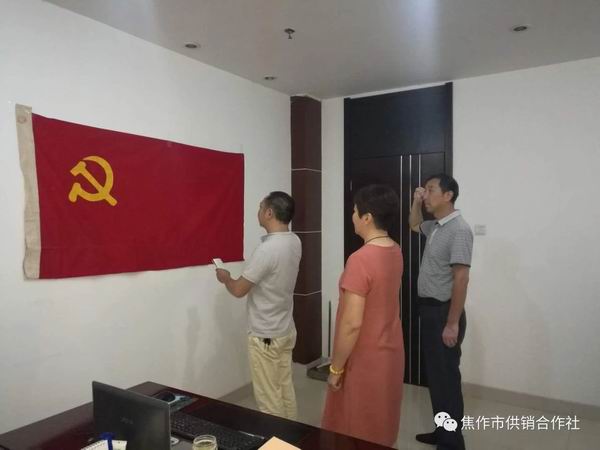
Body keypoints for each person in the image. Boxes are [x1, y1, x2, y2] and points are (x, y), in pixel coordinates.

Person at [321, 184, 404, 447]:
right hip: (390, 353)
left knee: (356, 426)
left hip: (364, 357)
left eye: (355, 211)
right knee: (381, 422)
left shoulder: (360, 259)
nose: (352, 216)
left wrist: (336, 368)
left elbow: (351, 324)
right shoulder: (395, 250)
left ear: (367, 218)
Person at [215, 191, 301, 420]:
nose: (258, 212)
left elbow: (238, 290)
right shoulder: (294, 241)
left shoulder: (267, 250)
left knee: (269, 401)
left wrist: (226, 278)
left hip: (265, 335)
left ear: (269, 213)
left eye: (261, 207)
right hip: (285, 329)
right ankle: (292, 436)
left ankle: (278, 439)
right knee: (285, 389)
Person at [409, 174, 473, 450]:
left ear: (448, 195)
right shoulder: (436, 226)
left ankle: (452, 444)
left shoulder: (459, 230)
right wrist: (416, 201)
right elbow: (414, 224)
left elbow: (461, 278)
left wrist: (452, 323)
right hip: (431, 312)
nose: (426, 194)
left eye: (431, 189)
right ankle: (442, 431)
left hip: (443, 314)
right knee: (436, 379)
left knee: (446, 381)